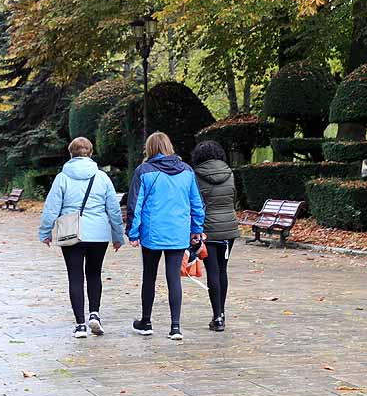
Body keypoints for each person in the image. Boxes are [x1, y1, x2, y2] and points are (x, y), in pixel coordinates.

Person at [38, 137, 125, 338]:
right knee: (94, 273)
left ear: (71, 154)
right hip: (98, 233)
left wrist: (45, 232)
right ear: (91, 153)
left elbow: (51, 208)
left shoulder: (62, 178)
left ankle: (79, 325)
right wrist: (117, 235)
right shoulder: (102, 177)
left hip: (70, 230)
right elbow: (113, 208)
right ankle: (94, 314)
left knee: (75, 276)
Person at [126, 131, 205, 342]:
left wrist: (132, 233)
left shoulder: (144, 171)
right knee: (173, 279)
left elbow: (136, 204)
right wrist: (196, 229)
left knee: (149, 277)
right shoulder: (187, 171)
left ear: (150, 148)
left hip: (152, 234)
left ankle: (146, 321)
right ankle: (175, 327)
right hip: (178, 233)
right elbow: (197, 203)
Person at [191, 140, 237, 333]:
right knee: (223, 270)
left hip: (207, 230)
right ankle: (222, 313)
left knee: (213, 271)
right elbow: (233, 198)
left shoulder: (195, 175)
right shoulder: (230, 173)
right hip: (229, 229)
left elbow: (194, 203)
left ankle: (217, 316)